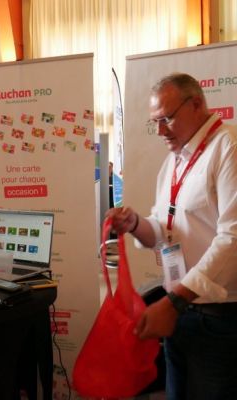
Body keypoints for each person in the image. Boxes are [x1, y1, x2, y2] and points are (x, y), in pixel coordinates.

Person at [106, 73, 237, 400]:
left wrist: (175, 301)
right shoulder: (174, 161)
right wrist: (135, 223)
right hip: (179, 314)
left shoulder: (229, 147)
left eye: (167, 119)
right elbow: (167, 230)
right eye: (155, 122)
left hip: (218, 320)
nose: (160, 131)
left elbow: (232, 239)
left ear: (197, 104)